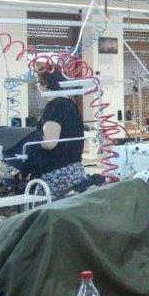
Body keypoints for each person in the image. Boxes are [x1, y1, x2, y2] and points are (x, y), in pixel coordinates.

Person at [31, 66, 86, 199]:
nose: (37, 87)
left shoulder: (55, 105)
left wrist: (28, 140)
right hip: (74, 173)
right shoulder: (70, 104)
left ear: (45, 84)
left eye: (38, 83)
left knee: (46, 211)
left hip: (57, 175)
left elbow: (49, 143)